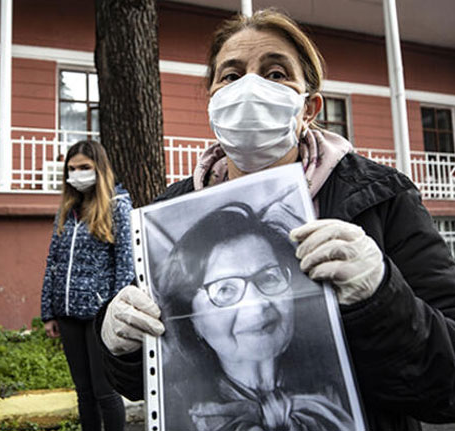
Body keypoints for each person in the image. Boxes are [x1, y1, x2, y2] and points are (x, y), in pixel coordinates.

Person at [96, 8, 455, 431]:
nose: (250, 86)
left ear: (309, 107)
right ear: (213, 101)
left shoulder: (380, 197)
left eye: (276, 73)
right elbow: (155, 379)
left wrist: (381, 296)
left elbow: (445, 386)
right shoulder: (171, 213)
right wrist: (123, 347)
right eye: (230, 76)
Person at [158, 202, 353, 430]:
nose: (257, 305)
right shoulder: (174, 413)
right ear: (191, 319)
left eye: (269, 278)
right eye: (225, 290)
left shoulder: (345, 379)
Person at [40, 139, 134, 431]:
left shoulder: (118, 206)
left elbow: (126, 263)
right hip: (67, 313)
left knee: (105, 391)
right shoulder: (67, 210)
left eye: (84, 167)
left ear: (100, 169)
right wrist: (48, 312)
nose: (77, 174)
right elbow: (52, 261)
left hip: (99, 316)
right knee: (83, 392)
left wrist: (114, 312)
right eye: (71, 168)